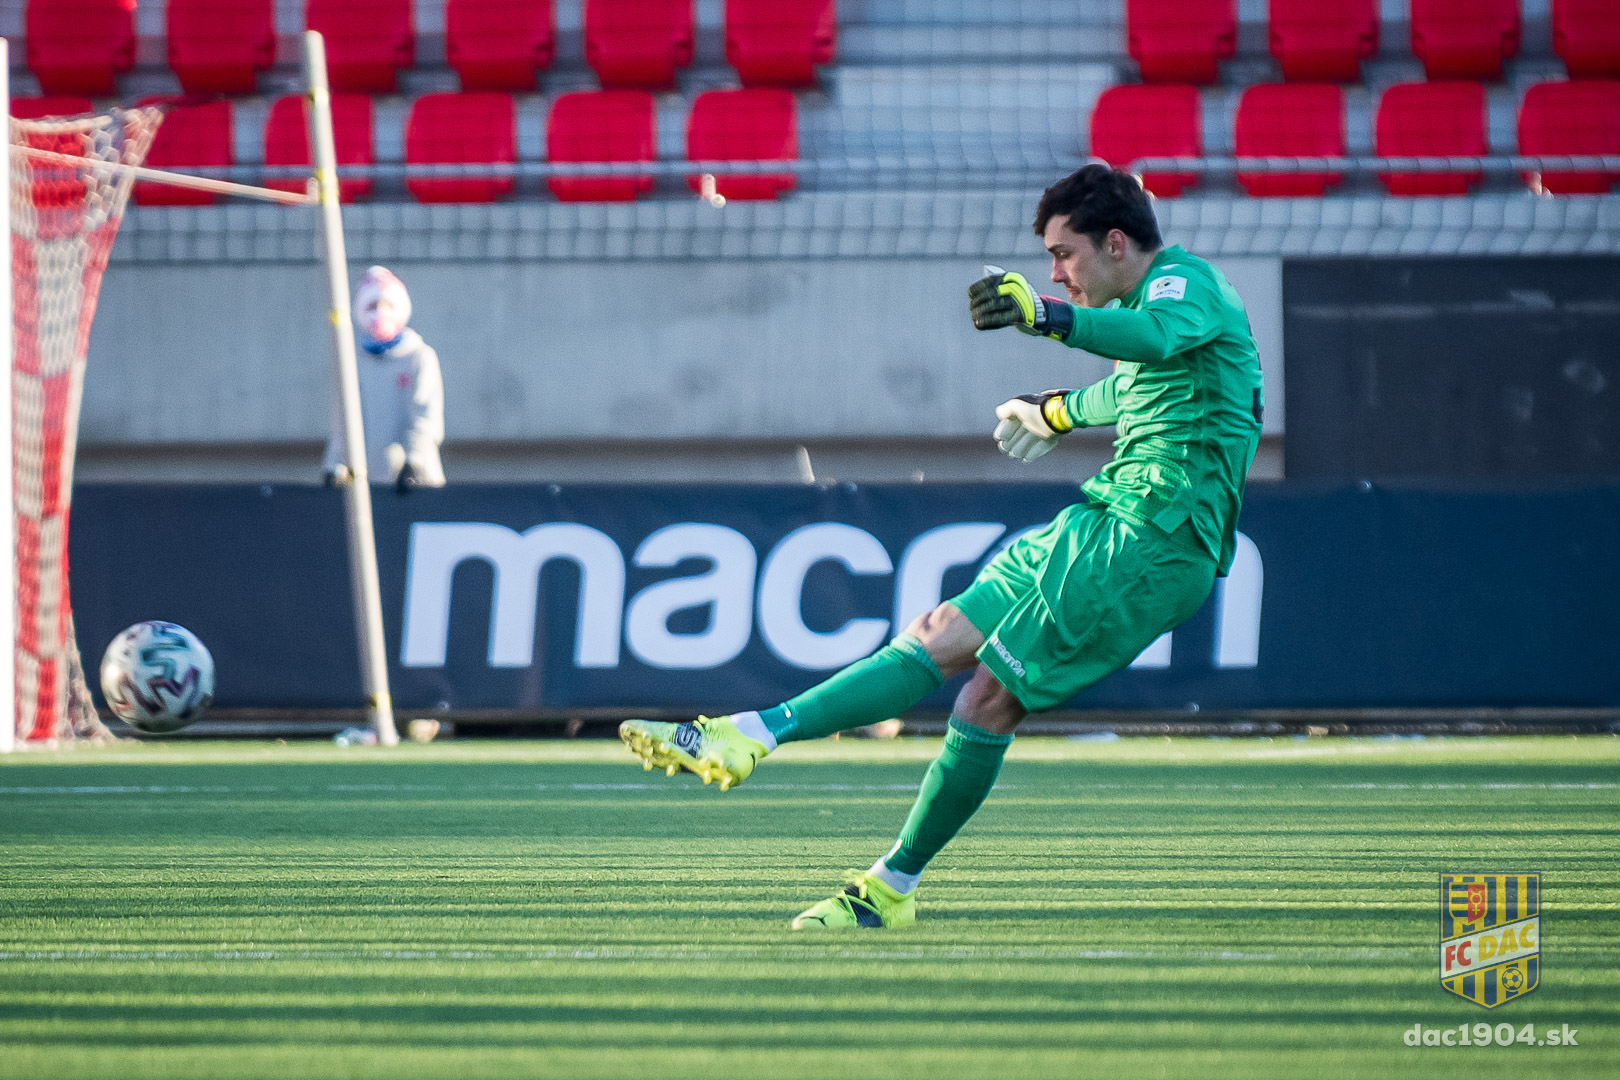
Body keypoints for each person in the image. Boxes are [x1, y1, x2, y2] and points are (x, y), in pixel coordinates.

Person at [620, 164, 1264, 929]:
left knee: (986, 697)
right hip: (1103, 520)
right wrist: (1057, 410)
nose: (1055, 273)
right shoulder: (1153, 306)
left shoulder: (1187, 287)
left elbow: (1153, 340)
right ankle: (744, 736)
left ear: (1116, 243)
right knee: (938, 632)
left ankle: (888, 888)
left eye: (1064, 254)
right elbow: (1139, 385)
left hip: (1153, 542)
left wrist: (1047, 317)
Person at [323, 266, 445, 492]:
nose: (379, 312)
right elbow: (343, 420)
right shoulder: (352, 361)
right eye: (372, 306)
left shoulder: (419, 356)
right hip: (366, 483)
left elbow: (426, 417)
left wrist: (414, 463)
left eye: (387, 305)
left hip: (411, 483)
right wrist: (334, 464)